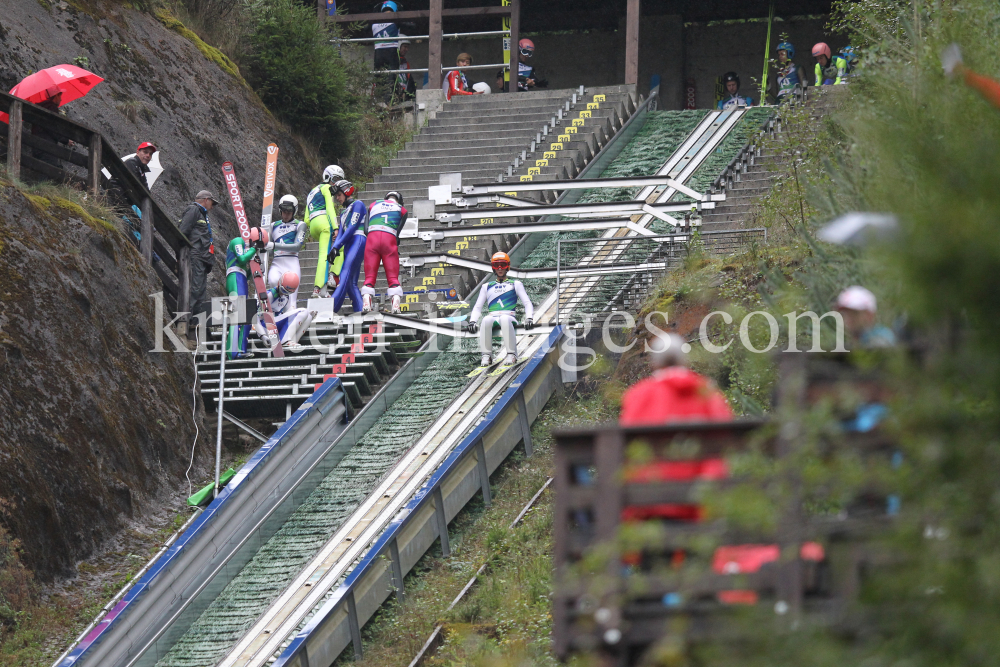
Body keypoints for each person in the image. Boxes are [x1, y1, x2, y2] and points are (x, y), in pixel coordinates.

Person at [619, 334, 732, 426]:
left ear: (655, 363)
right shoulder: (706, 390)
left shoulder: (640, 393)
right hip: (702, 454)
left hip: (657, 454)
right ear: (684, 360)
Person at [467, 252, 535, 367]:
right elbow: (478, 306)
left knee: (504, 318)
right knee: (486, 320)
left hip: (509, 316)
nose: (499, 268)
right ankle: (486, 355)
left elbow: (527, 303)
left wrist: (529, 318)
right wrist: (472, 321)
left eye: (502, 265)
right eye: (497, 265)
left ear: (507, 266)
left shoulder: (515, 284)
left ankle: (511, 354)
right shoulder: (486, 286)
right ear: (493, 267)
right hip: (493, 316)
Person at [177, 190, 219, 348]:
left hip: (202, 260)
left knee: (200, 293)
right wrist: (184, 255)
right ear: (206, 200)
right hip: (195, 258)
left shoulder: (202, 215)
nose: (212, 207)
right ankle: (186, 330)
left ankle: (195, 330)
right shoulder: (194, 210)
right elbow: (182, 231)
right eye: (212, 203)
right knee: (194, 291)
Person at [362, 191, 408, 313]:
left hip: (372, 238)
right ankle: (396, 303)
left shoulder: (373, 205)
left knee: (370, 277)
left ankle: (367, 301)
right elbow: (397, 233)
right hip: (389, 239)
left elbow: (365, 229)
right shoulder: (402, 210)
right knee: (393, 278)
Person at [305, 165, 346, 298]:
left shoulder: (312, 191)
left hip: (313, 225)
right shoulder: (327, 188)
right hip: (325, 224)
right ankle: (320, 286)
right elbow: (329, 207)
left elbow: (306, 218)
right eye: (335, 179)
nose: (336, 183)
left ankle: (323, 290)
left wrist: (313, 224)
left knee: (336, 249)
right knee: (326, 255)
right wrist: (335, 227)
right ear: (327, 177)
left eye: (339, 180)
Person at [328, 179, 368, 313]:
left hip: (358, 239)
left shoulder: (358, 204)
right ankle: (360, 309)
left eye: (339, 195)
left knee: (345, 272)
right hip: (349, 244)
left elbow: (352, 228)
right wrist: (334, 248)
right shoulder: (343, 212)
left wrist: (337, 245)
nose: (337, 198)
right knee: (351, 284)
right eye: (336, 196)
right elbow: (341, 233)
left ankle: (331, 308)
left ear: (346, 192)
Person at [252, 272, 317, 352]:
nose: (284, 293)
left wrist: (308, 315)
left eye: (289, 292)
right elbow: (255, 317)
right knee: (303, 311)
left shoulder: (286, 297)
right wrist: (262, 335)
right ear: (279, 283)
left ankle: (292, 340)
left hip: (276, 325)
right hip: (265, 326)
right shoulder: (270, 295)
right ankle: (285, 341)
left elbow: (289, 314)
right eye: (283, 290)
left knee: (308, 316)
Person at [225, 228, 263, 360]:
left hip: (239, 278)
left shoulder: (243, 245)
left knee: (246, 317)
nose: (257, 248)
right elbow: (241, 259)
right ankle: (233, 352)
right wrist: (253, 250)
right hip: (234, 277)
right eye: (258, 244)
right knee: (237, 316)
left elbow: (244, 271)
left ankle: (241, 349)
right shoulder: (237, 240)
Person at [266, 194, 307, 307]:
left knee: (291, 302)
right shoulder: (273, 225)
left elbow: (297, 246)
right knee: (273, 283)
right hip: (276, 263)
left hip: (292, 263)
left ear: (294, 211)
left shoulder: (300, 225)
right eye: (283, 211)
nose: (286, 215)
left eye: (289, 212)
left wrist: (274, 245)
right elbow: (268, 250)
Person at [372, 1, 402, 72]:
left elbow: (363, 28)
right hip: (392, 53)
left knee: (378, 77)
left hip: (378, 54)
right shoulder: (396, 21)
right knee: (392, 78)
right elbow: (411, 26)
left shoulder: (374, 23)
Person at [395, 35, 417, 102]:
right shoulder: (390, 62)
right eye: (405, 47)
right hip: (394, 96)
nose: (407, 49)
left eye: (407, 47)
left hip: (404, 98)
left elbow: (410, 81)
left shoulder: (405, 63)